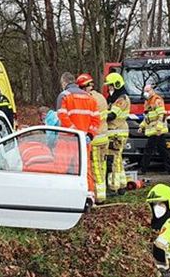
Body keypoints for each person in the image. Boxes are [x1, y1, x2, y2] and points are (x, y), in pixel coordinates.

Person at [56, 72, 99, 199]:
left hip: (67, 139)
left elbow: (62, 116)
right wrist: (89, 135)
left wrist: (74, 132)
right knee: (85, 168)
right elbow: (96, 120)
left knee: (62, 167)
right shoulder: (90, 98)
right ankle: (89, 196)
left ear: (64, 83)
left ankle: (60, 196)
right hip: (84, 140)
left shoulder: (64, 96)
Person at [80, 74, 110, 203]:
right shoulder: (101, 97)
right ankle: (103, 192)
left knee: (95, 167)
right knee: (102, 166)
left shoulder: (89, 99)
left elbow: (89, 119)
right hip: (104, 136)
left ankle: (99, 196)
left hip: (95, 138)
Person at [138, 83, 170, 173]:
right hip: (154, 130)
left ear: (152, 91)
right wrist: (141, 126)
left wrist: (159, 127)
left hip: (157, 130)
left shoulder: (156, 100)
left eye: (148, 91)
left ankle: (143, 169)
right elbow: (147, 118)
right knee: (163, 150)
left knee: (149, 150)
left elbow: (161, 114)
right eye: (145, 91)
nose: (146, 93)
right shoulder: (147, 102)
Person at [105, 73, 131, 195]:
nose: (109, 88)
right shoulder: (116, 98)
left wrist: (98, 116)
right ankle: (121, 186)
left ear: (117, 84)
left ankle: (114, 187)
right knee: (118, 160)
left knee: (114, 160)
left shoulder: (121, 99)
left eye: (111, 86)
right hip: (116, 132)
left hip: (117, 132)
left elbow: (112, 116)